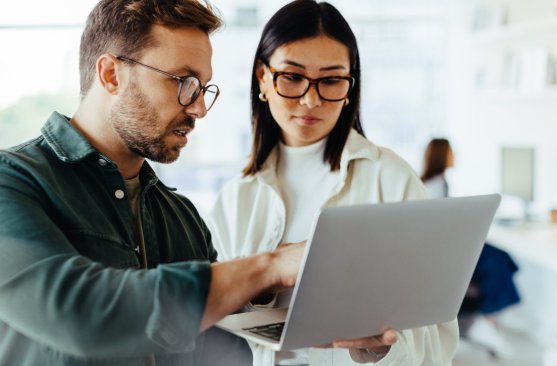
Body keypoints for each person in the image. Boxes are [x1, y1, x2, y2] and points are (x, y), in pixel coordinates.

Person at [0, 1, 311, 365]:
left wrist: (319, 321)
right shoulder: (14, 182)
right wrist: (266, 266)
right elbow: (80, 314)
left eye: (204, 89)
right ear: (111, 74)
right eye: (184, 82)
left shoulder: (182, 216)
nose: (199, 109)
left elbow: (222, 354)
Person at [208, 1, 459, 365]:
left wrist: (381, 350)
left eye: (330, 80)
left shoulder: (392, 179)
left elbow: (438, 343)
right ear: (263, 76)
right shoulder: (235, 198)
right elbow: (212, 325)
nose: (311, 100)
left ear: (349, 85)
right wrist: (264, 278)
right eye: (292, 77)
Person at [420, 138, 521, 358]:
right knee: (497, 262)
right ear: (442, 156)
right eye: (451, 153)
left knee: (503, 258)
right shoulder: (435, 185)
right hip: (445, 252)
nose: (455, 156)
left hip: (451, 245)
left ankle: (488, 318)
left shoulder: (436, 182)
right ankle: (487, 319)